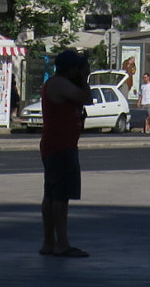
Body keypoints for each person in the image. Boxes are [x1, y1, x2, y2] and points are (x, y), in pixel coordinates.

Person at [39, 50, 94, 257]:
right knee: (60, 197)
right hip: (61, 146)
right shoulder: (59, 84)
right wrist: (84, 79)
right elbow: (87, 98)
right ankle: (60, 243)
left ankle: (49, 243)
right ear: (71, 69)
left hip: (58, 145)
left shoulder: (57, 83)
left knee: (52, 195)